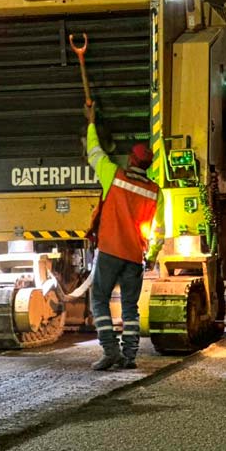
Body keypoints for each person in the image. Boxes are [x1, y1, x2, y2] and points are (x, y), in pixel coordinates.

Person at [85, 103, 164, 371]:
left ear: (131, 159)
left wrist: (91, 123)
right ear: (149, 165)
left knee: (99, 299)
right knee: (130, 307)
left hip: (109, 251)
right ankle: (129, 356)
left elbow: (94, 152)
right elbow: (159, 231)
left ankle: (110, 351)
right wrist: (151, 257)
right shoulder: (155, 192)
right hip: (134, 255)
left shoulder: (113, 175)